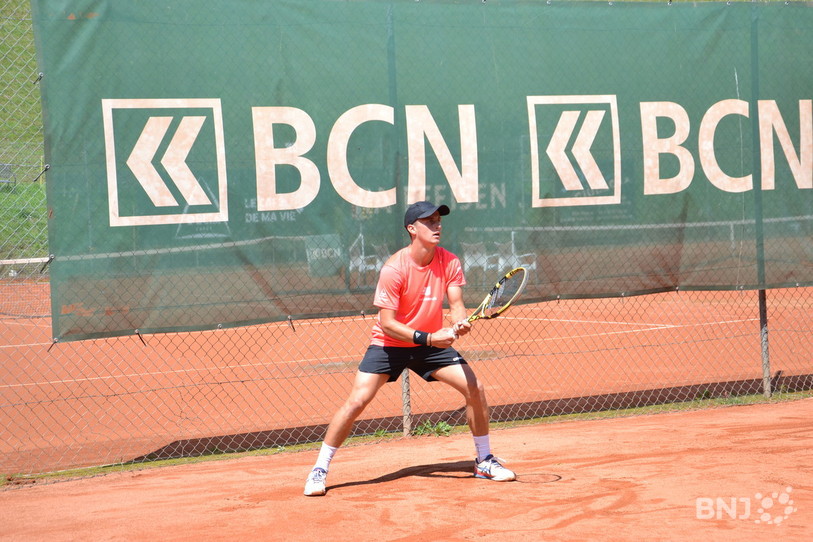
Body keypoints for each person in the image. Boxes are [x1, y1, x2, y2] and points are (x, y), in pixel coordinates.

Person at [304, 201, 516, 496]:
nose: (437, 225)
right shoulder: (394, 268)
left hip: (430, 344)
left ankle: (484, 460)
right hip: (390, 344)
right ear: (412, 229)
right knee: (357, 402)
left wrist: (459, 323)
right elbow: (387, 323)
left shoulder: (449, 261)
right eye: (429, 221)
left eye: (439, 220)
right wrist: (429, 338)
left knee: (475, 389)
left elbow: (456, 305)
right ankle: (319, 469)